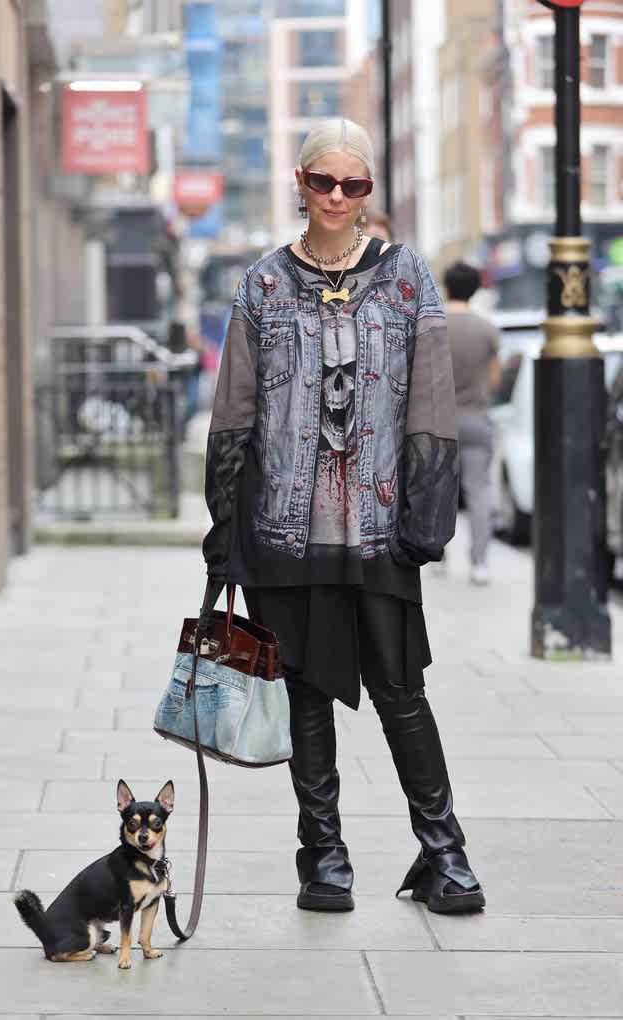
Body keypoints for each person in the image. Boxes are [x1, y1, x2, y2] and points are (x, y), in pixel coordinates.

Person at [197, 117, 485, 916]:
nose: (336, 195)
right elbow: (235, 410)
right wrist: (225, 522)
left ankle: (445, 853)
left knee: (400, 688)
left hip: (380, 528)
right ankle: (323, 857)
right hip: (282, 529)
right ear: (300, 183)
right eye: (322, 180)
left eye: (352, 184)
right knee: (304, 690)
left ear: (368, 192)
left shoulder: (407, 277)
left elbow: (432, 400)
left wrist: (427, 513)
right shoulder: (261, 283)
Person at [443, 261, 501, 585]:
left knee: (439, 488)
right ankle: (479, 562)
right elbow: (493, 379)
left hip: (439, 422)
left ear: (446, 287)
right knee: (479, 490)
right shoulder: (487, 329)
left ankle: (437, 553)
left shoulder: (434, 325)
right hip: (476, 418)